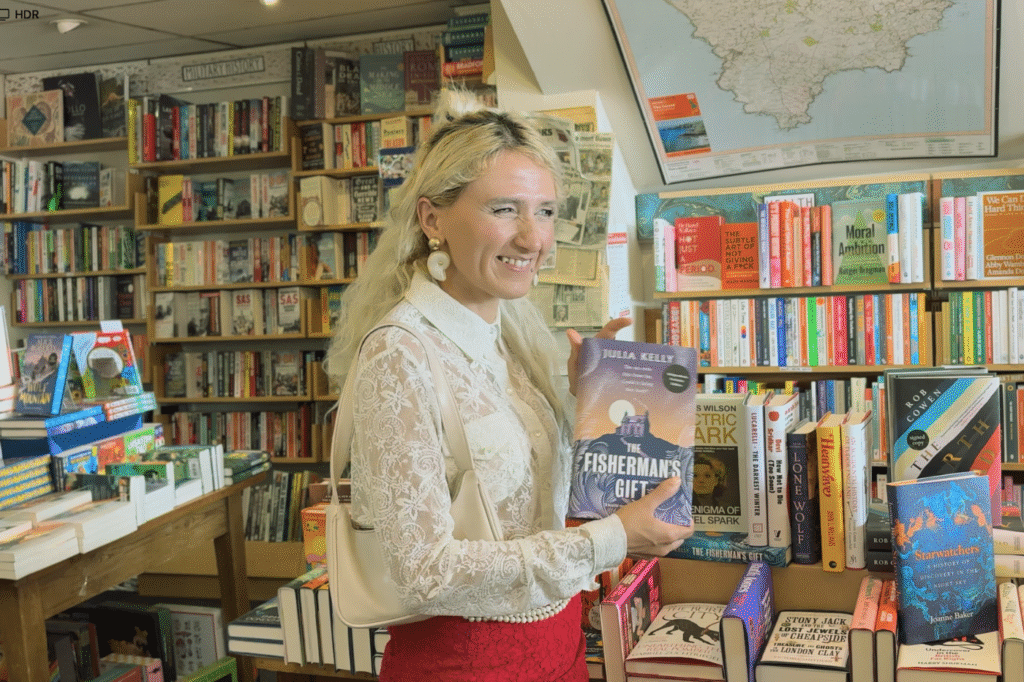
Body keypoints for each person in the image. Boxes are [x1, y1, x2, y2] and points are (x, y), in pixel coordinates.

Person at [324, 89, 693, 682]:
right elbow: (426, 572)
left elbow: (523, 501)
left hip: (561, 649)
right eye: (504, 210)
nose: (533, 239)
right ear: (431, 219)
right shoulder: (400, 354)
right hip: (464, 667)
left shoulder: (508, 334)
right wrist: (610, 539)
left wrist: (588, 404)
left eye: (545, 211)